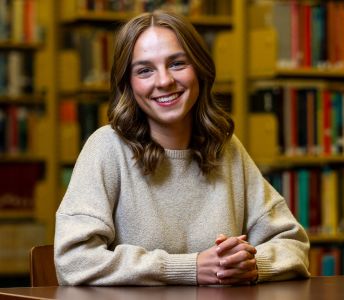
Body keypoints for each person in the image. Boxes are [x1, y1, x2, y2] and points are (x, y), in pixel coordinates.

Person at [54, 10, 310, 286]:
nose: (164, 81)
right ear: (128, 84)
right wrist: (190, 267)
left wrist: (251, 266)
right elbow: (74, 260)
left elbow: (292, 243)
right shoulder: (106, 148)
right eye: (145, 70)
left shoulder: (225, 148)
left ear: (199, 69)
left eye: (177, 63)